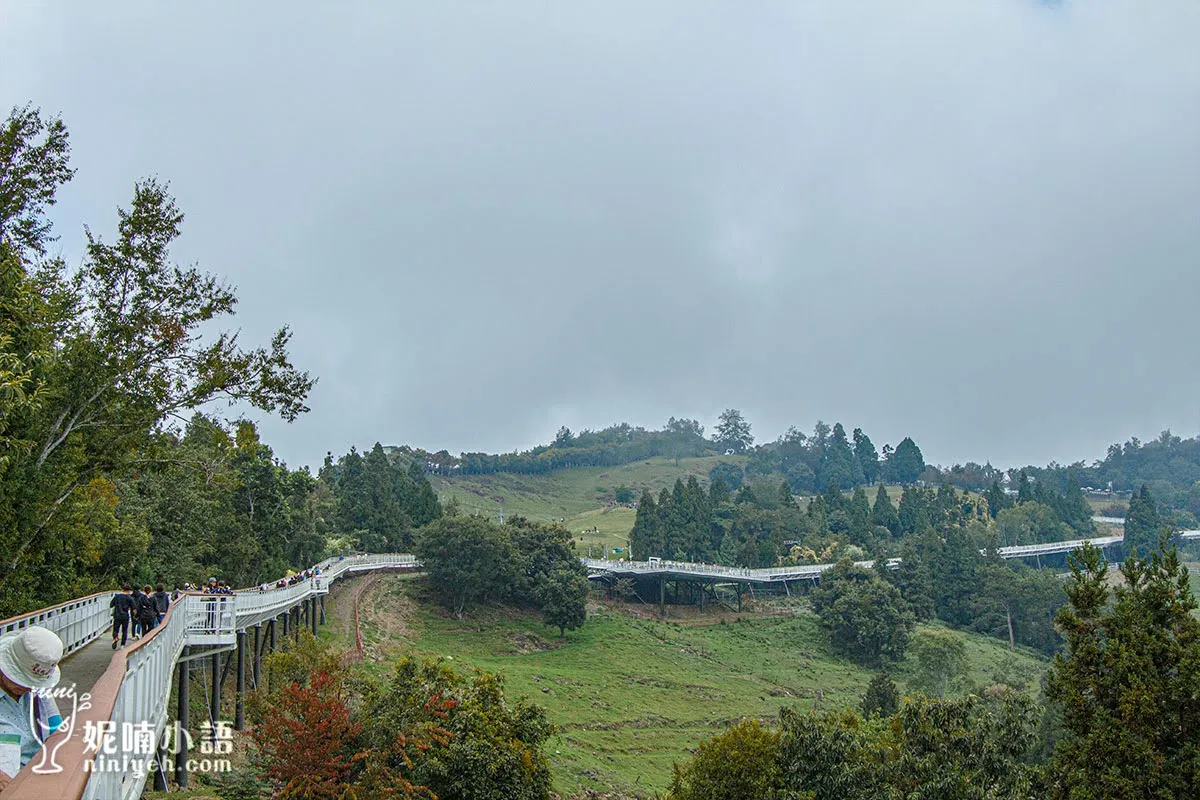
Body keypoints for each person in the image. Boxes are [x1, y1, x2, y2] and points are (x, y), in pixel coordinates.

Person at [0, 627, 65, 789]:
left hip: (35, 777)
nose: (27, 687)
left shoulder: (39, 691)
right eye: (21, 680)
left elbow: (57, 731)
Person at [110, 584, 134, 649]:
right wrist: (135, 615)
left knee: (115, 629)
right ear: (129, 591)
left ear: (122, 590)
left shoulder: (117, 597)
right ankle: (122, 645)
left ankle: (115, 638)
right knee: (124, 630)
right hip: (125, 616)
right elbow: (133, 608)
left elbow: (111, 604)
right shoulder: (130, 598)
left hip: (117, 615)